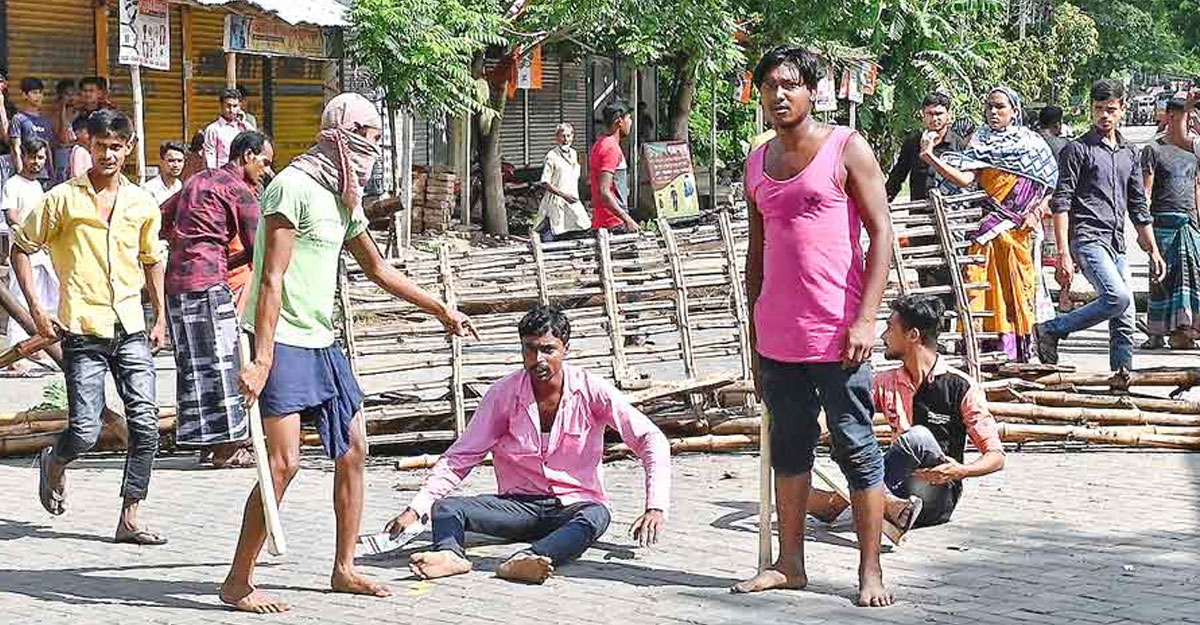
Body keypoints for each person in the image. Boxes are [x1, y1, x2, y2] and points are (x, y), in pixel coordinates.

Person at [220, 93, 475, 614]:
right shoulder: (290, 186)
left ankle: (344, 568)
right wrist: (262, 358)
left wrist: (440, 310)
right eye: (368, 132)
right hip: (283, 339)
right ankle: (238, 581)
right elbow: (271, 279)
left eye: (379, 134)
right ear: (339, 131)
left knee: (354, 447)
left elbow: (379, 270)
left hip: (321, 340)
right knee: (283, 463)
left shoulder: (344, 196)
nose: (374, 143)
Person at [732, 46, 895, 607]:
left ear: (811, 91)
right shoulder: (757, 161)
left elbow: (883, 234)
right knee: (791, 449)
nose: (780, 95)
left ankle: (869, 570)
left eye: (790, 85)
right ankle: (789, 563)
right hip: (779, 335)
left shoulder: (846, 149)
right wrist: (755, 336)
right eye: (770, 86)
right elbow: (757, 254)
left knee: (856, 447)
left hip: (838, 334)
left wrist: (867, 318)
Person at [384, 305, 670, 584]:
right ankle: (448, 555)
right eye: (529, 349)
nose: (538, 359)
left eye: (548, 349)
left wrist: (655, 506)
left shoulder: (592, 389)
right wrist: (416, 508)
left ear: (565, 349)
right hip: (519, 507)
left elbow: (650, 438)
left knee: (597, 515)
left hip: (573, 506)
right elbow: (461, 457)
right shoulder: (502, 394)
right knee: (446, 509)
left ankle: (531, 558)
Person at [12, 109, 168, 543]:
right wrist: (38, 311)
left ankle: (129, 517)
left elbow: (152, 260)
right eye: (101, 146)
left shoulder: (141, 202)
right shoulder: (63, 198)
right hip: (82, 328)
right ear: (88, 147)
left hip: (132, 326)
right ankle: (54, 462)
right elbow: (20, 249)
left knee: (145, 425)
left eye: (116, 147)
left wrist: (161, 319)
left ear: (129, 148)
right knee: (83, 430)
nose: (109, 154)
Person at [805, 295, 1005, 535]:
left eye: (890, 327)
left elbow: (996, 457)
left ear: (913, 335)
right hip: (896, 487)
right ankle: (890, 505)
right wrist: (803, 432)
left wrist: (961, 471)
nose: (883, 336)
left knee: (918, 438)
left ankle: (838, 503)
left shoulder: (961, 386)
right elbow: (843, 412)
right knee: (847, 426)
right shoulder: (886, 381)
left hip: (935, 495)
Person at [1036, 80, 1167, 371]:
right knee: (1117, 297)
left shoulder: (1130, 153)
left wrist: (1153, 250)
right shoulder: (1077, 150)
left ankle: (1121, 382)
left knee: (1125, 317)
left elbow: (1138, 207)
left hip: (1115, 243)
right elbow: (1062, 203)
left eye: (1110, 110)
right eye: (1098, 109)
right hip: (1086, 238)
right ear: (1091, 110)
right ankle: (1053, 329)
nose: (1104, 116)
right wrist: (1063, 254)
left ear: (1122, 110)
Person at [922, 86, 1059, 362]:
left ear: (1015, 111)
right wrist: (930, 157)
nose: (993, 112)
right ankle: (981, 351)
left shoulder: (1032, 144)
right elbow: (965, 179)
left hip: (1018, 232)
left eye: (1000, 107)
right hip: (986, 229)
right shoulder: (979, 141)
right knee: (978, 285)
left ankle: (1016, 353)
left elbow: (1049, 184)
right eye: (989, 107)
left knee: (1016, 289)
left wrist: (1035, 212)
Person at [161, 131, 272, 469]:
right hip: (208, 284)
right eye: (265, 162)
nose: (267, 170)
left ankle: (207, 444)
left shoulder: (197, 181)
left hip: (178, 283)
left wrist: (192, 245)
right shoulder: (239, 190)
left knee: (195, 367)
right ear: (248, 155)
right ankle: (227, 448)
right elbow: (260, 251)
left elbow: (161, 218)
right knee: (224, 363)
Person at [1141, 98, 1200, 350]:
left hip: (1189, 223)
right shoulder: (1154, 150)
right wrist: (1143, 228)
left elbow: (1197, 187)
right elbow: (1145, 191)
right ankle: (1155, 333)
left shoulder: (1194, 151)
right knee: (1160, 279)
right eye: (1188, 117)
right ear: (1172, 117)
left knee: (1191, 278)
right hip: (1161, 223)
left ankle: (1184, 331)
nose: (1193, 123)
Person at [3, 138, 58, 373]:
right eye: (33, 157)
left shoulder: (38, 187)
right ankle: (18, 353)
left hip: (43, 253)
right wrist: (30, 234)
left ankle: (42, 346)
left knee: (47, 300)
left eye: (41, 158)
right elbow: (11, 216)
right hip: (23, 253)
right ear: (23, 156)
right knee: (20, 300)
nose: (37, 162)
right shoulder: (13, 184)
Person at [884, 93, 968, 202]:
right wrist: (883, 202)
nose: (934, 118)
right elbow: (897, 177)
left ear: (948, 115)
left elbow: (967, 181)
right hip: (919, 213)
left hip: (952, 212)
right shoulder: (913, 144)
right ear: (923, 114)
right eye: (930, 114)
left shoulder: (958, 144)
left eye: (939, 114)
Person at [589, 99, 639, 233]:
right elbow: (604, 191)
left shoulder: (600, 144)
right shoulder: (610, 148)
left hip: (606, 221)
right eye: (629, 118)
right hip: (613, 223)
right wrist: (627, 219)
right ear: (619, 121)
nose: (631, 122)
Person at [535, 123, 589, 242]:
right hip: (556, 199)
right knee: (554, 230)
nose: (566, 140)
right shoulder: (552, 156)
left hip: (572, 199)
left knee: (582, 226)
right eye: (563, 136)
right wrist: (563, 195)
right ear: (557, 138)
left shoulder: (574, 154)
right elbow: (544, 182)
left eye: (568, 136)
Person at [9, 78, 55, 186]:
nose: (38, 96)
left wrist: (52, 174)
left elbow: (48, 148)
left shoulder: (46, 121)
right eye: (34, 93)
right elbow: (16, 148)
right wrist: (20, 175)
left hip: (44, 176)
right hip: (26, 174)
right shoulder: (18, 119)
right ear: (24, 95)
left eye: (40, 93)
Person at [204, 88, 255, 170]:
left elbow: (255, 142)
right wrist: (213, 175)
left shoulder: (244, 127)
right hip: (223, 174)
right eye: (228, 106)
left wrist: (244, 122)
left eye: (235, 106)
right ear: (221, 106)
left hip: (242, 173)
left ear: (240, 107)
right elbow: (210, 155)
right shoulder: (213, 129)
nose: (231, 110)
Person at [51, 79, 77, 185]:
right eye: (67, 94)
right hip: (63, 154)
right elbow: (63, 139)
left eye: (72, 94)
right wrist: (62, 110)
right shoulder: (56, 115)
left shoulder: (79, 113)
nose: (70, 98)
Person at [143, 140, 186, 205]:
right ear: (161, 161)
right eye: (171, 160)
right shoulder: (149, 189)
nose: (176, 165)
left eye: (179, 161)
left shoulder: (181, 187)